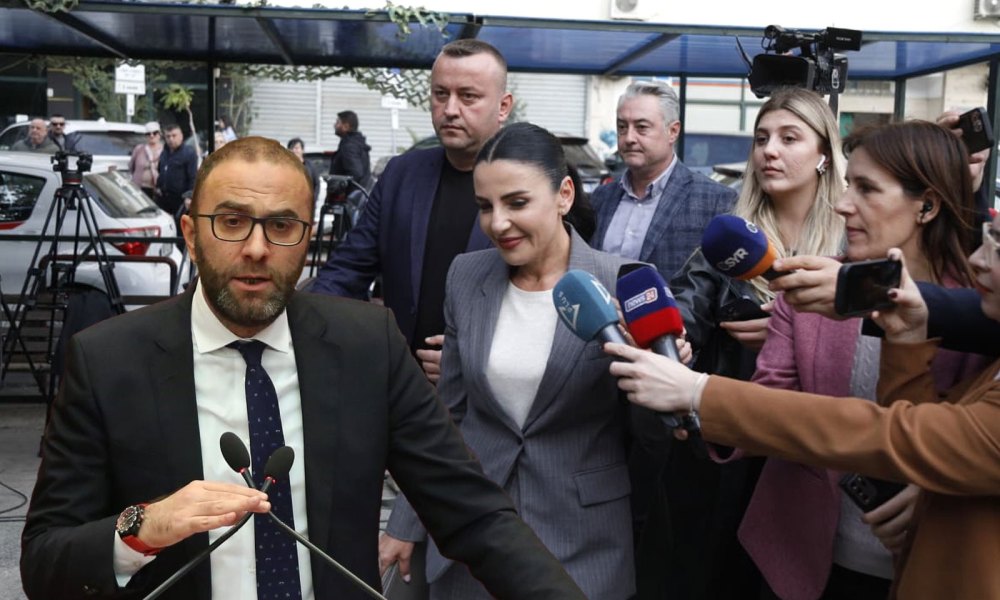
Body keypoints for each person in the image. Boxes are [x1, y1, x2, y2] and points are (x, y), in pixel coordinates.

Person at [19, 136, 587, 600]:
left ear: (307, 239)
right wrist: (142, 528)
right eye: (232, 222)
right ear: (190, 235)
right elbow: (44, 562)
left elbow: (473, 513)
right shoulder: (107, 361)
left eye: (282, 226)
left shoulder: (367, 345)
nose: (256, 248)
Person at [604, 217, 1000, 598]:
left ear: (927, 206)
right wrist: (909, 339)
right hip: (805, 555)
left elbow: (893, 433)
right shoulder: (827, 288)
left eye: (998, 245)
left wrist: (700, 392)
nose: (979, 257)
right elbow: (920, 440)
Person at [724, 120, 990, 600]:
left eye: (866, 188)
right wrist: (698, 406)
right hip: (804, 557)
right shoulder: (813, 286)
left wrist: (936, 488)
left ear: (927, 206)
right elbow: (767, 406)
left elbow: (963, 442)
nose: (843, 204)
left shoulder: (981, 309)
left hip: (928, 564)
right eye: (847, 185)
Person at [380, 123, 637, 599]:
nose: (497, 223)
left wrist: (663, 366)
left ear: (563, 195)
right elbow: (447, 416)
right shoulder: (465, 275)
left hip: (582, 543)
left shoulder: (622, 281)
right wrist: (406, 522)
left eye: (516, 203)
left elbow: (655, 433)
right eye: (485, 206)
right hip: (473, 537)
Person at [652, 87, 846, 600]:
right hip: (731, 447)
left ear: (824, 153)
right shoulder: (728, 239)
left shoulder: (852, 240)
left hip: (814, 447)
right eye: (761, 139)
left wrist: (793, 328)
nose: (769, 151)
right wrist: (675, 341)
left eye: (789, 138)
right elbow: (686, 306)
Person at [309, 39, 512, 370]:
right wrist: (304, 320)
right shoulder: (402, 175)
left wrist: (476, 362)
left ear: (503, 106)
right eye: (440, 94)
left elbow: (546, 305)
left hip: (488, 392)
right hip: (402, 382)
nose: (450, 109)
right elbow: (349, 268)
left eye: (468, 96)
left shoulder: (530, 185)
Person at [590, 80, 737, 280]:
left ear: (673, 131)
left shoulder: (715, 201)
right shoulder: (601, 198)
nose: (629, 138)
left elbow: (724, 283)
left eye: (641, 127)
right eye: (622, 127)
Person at [157, 124, 199, 217]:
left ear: (181, 136)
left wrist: (189, 196)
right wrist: (158, 186)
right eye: (168, 136)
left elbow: (193, 177)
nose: (171, 139)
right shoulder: (164, 152)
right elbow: (160, 170)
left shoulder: (189, 153)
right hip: (164, 197)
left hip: (180, 198)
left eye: (174, 136)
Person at [330, 110, 373, 191]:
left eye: (338, 122)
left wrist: (338, 187)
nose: (335, 125)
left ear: (346, 126)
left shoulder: (349, 147)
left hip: (350, 196)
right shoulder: (355, 143)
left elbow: (356, 173)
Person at [129, 121, 163, 198]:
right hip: (140, 188)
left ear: (159, 134)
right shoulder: (139, 149)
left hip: (158, 190)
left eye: (154, 133)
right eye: (148, 134)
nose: (151, 136)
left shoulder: (165, 151)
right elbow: (131, 166)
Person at [288, 137, 321, 206]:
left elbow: (316, 184)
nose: (294, 150)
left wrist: (313, 200)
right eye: (291, 148)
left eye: (296, 148)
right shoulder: (285, 166)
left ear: (302, 150)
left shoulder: (310, 166)